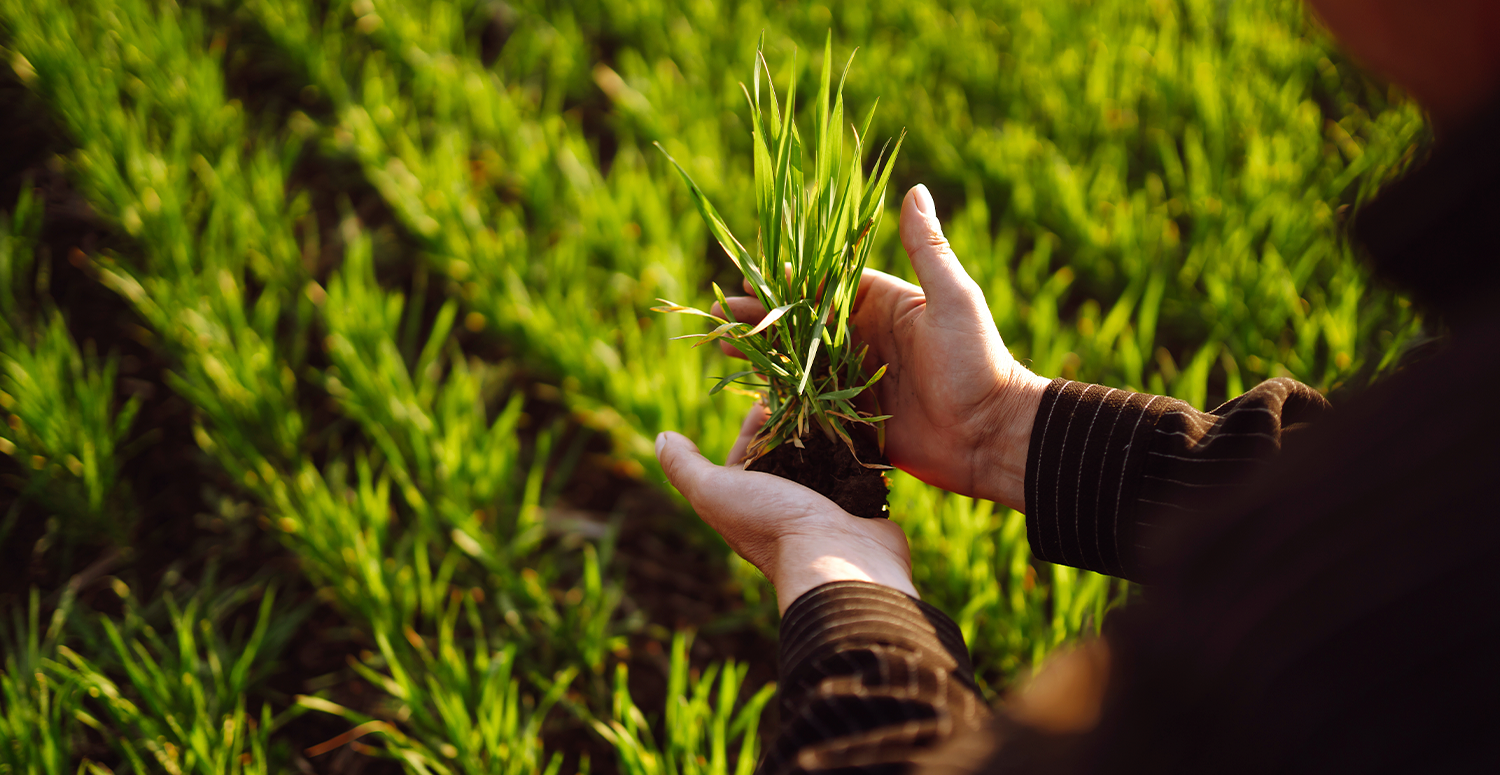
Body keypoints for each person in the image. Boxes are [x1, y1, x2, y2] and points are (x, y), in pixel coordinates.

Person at [655, 1, 1500, 772]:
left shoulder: (1409, 588)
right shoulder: (1443, 459)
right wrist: (1004, 422)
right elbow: (1351, 506)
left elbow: (1368, 548)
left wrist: (829, 565)